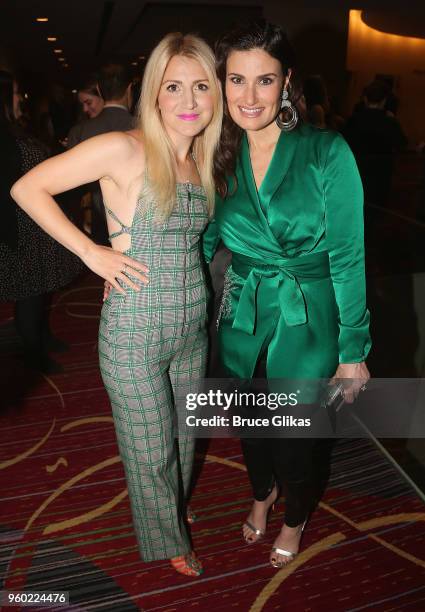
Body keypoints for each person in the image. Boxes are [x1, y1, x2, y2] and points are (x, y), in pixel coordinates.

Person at [11, 32, 223, 576]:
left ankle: (169, 512)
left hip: (192, 325)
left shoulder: (200, 160)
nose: (188, 101)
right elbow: (27, 189)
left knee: (183, 436)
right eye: (173, 87)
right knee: (151, 449)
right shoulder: (123, 147)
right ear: (152, 93)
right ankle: (166, 538)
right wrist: (92, 253)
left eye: (201, 86)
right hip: (133, 328)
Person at [203, 20, 371, 568]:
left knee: (296, 438)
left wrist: (354, 351)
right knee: (251, 426)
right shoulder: (218, 157)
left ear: (286, 82)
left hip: (309, 317)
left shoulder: (327, 151)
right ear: (222, 83)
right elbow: (203, 238)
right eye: (236, 80)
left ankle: (295, 516)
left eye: (264, 80)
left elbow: (347, 256)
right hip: (243, 312)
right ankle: (261, 494)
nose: (249, 97)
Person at [0, 70, 82, 374]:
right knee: (29, 291)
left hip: (31, 222)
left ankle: (41, 338)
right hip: (17, 228)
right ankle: (32, 356)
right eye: (16, 93)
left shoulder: (14, 128)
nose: (21, 98)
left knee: (39, 287)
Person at [67, 64, 135, 245]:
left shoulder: (80, 132)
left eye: (88, 102)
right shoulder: (145, 127)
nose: (84, 109)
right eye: (81, 104)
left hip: (99, 223)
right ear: (129, 90)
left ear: (100, 92)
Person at [343, 79, 407, 207]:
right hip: (381, 176)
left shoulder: (353, 120)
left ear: (365, 98)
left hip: (356, 173)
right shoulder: (390, 122)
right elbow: (402, 144)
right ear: (384, 101)